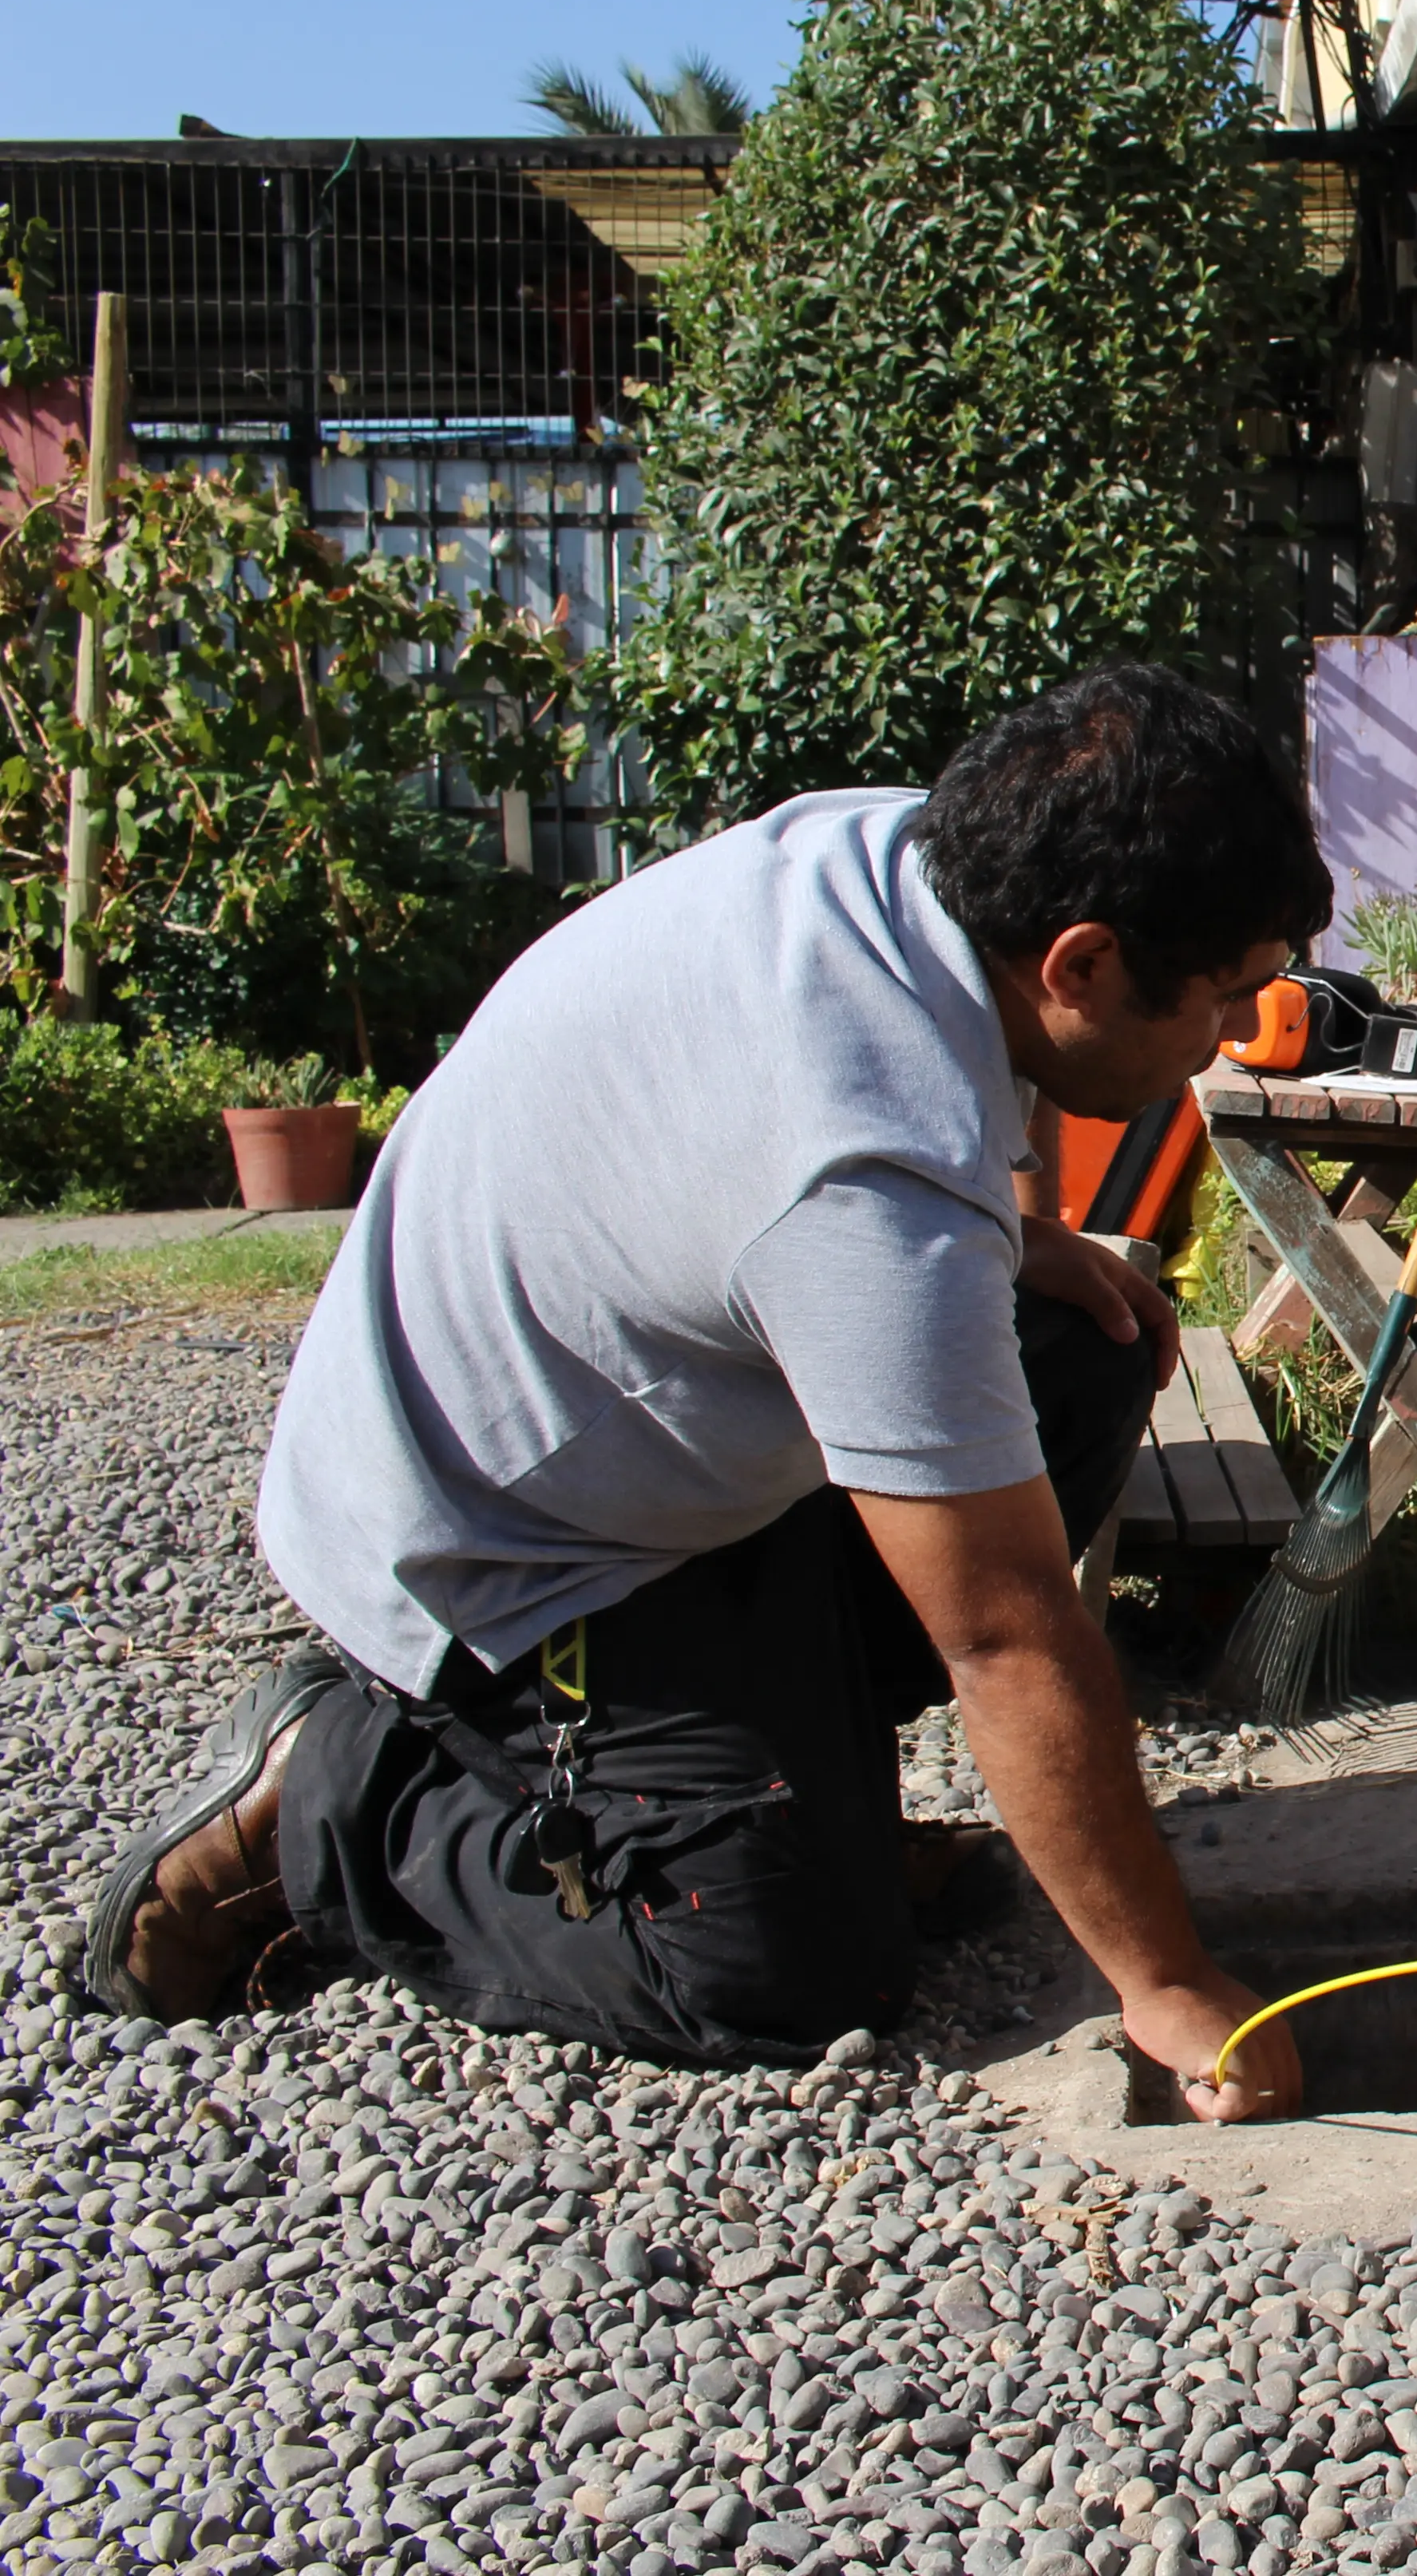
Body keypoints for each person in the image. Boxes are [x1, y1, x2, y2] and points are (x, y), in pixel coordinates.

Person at [83, 664, 1328, 2123]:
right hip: (504, 1552)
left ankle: (802, 1792)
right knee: (784, 1966)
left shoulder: (911, 862)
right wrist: (1167, 1984)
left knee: (1089, 1344)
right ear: (1078, 966)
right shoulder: (861, 1173)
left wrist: (1018, 1240)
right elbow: (1002, 1631)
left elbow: (746, 1166)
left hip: (614, 1418)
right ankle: (343, 1804)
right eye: (1225, 999)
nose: (1235, 1039)